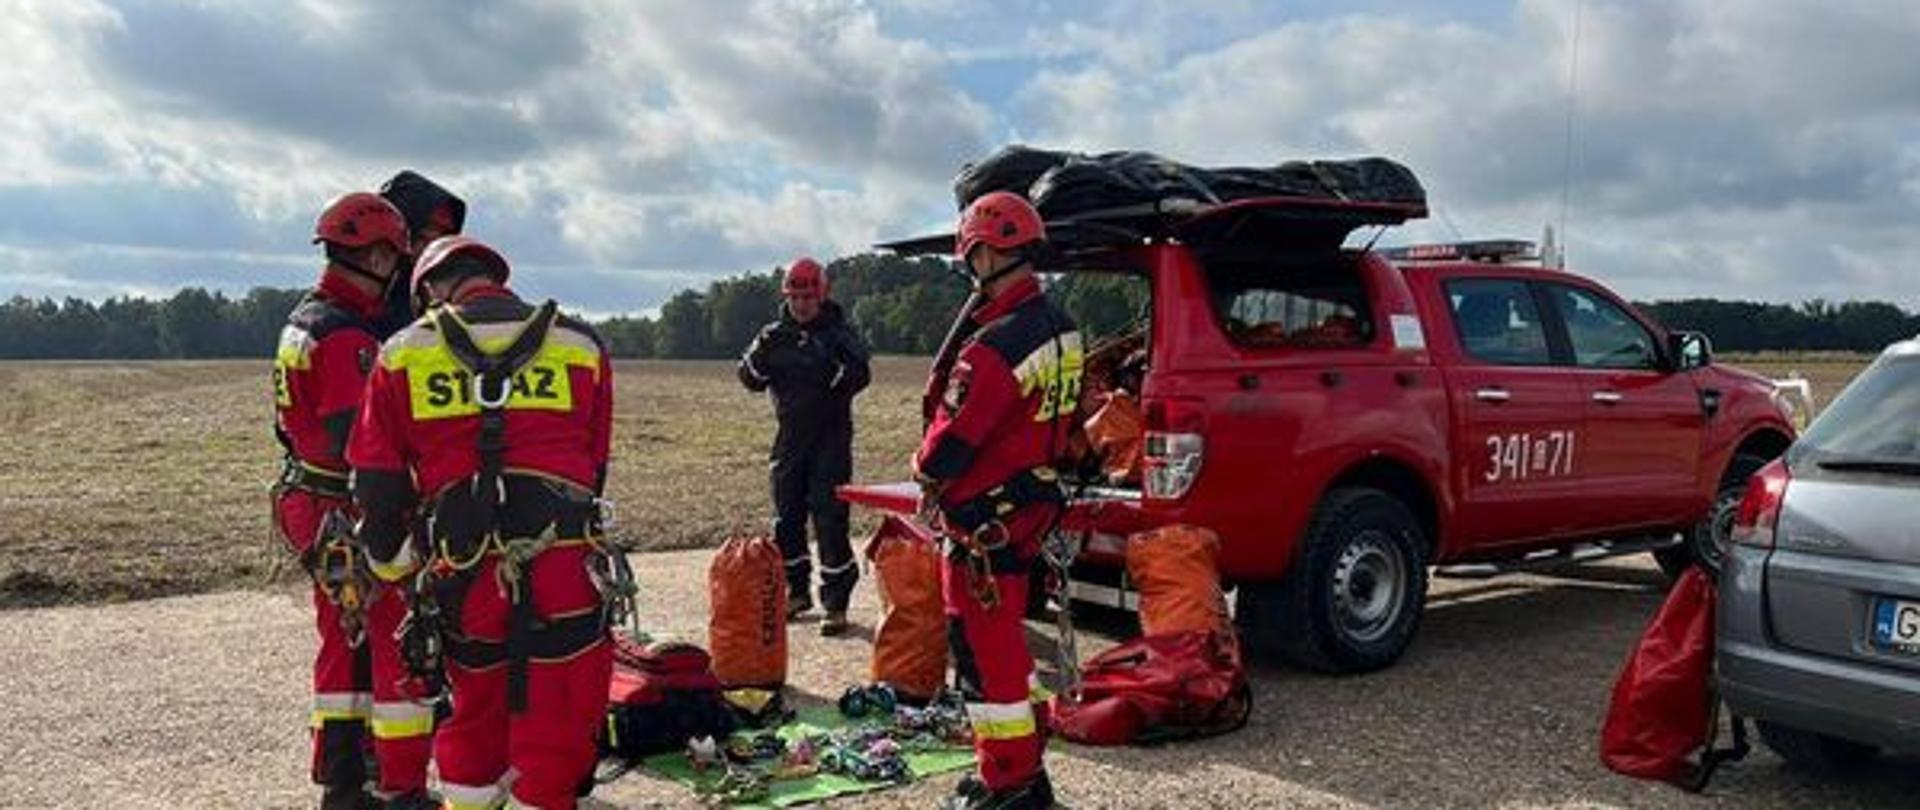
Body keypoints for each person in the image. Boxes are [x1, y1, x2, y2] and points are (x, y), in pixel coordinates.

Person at [348, 236, 619, 809]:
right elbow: (593, 471)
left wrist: (396, 568)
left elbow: (377, 486)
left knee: (471, 715)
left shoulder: (401, 353)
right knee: (557, 724)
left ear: (432, 290)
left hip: (462, 573)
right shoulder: (580, 344)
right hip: (563, 570)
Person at [915, 191, 1081, 809]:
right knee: (1006, 641)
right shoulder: (1061, 327)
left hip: (983, 521)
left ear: (982, 252)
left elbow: (951, 442)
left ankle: (1009, 780)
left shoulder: (993, 346)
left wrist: (923, 471)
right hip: (1029, 509)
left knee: (984, 656)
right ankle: (1020, 768)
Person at [270, 192, 435, 809]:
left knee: (346, 640)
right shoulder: (344, 337)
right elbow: (358, 440)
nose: (397, 272)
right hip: (344, 509)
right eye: (394, 256)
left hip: (312, 500)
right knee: (392, 636)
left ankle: (343, 778)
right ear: (372, 253)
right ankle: (397, 786)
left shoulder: (309, 318)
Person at [737, 257, 871, 636]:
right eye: (795, 297)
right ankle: (796, 591)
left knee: (830, 519)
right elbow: (749, 378)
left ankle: (836, 602)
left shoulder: (840, 332)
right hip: (790, 438)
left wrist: (828, 365)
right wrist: (761, 353)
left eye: (808, 297)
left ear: (822, 295)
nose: (801, 304)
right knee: (787, 518)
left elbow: (861, 374)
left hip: (830, 437)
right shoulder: (773, 334)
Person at [374, 170, 467, 338]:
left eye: (442, 238)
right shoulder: (358, 299)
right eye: (423, 237)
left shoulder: (450, 297)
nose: (432, 250)